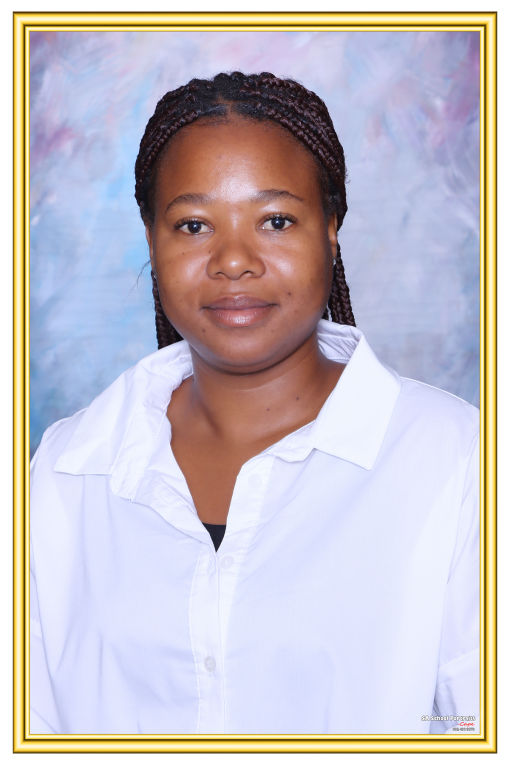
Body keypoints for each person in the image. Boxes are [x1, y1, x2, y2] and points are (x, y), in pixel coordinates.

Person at [30, 71, 479, 735]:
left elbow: (477, 725)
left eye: (275, 220)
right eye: (193, 225)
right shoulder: (67, 469)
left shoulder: (457, 460)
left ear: (331, 228)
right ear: (151, 241)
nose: (234, 260)